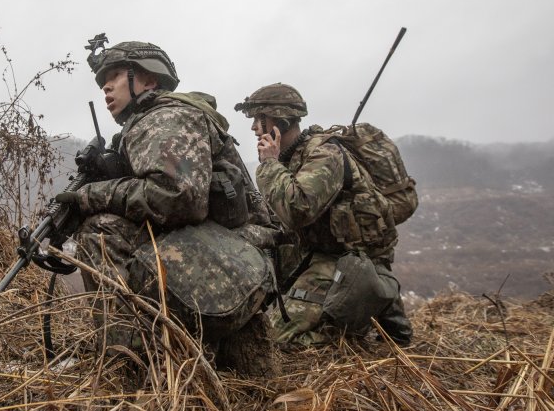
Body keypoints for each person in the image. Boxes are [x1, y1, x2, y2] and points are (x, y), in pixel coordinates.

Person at [55, 39, 277, 373]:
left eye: (115, 75)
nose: (105, 86)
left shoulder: (163, 118)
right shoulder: (161, 118)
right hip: (236, 253)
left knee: (101, 231)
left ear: (148, 80)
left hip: (238, 258)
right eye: (104, 80)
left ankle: (128, 365)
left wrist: (92, 196)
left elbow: (178, 197)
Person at [235, 83, 413, 347]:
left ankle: (377, 295)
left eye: (259, 119)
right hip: (324, 251)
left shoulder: (323, 154)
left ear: (280, 121)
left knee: (282, 338)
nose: (253, 128)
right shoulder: (293, 156)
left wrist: (269, 165)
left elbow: (297, 210)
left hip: (351, 258)